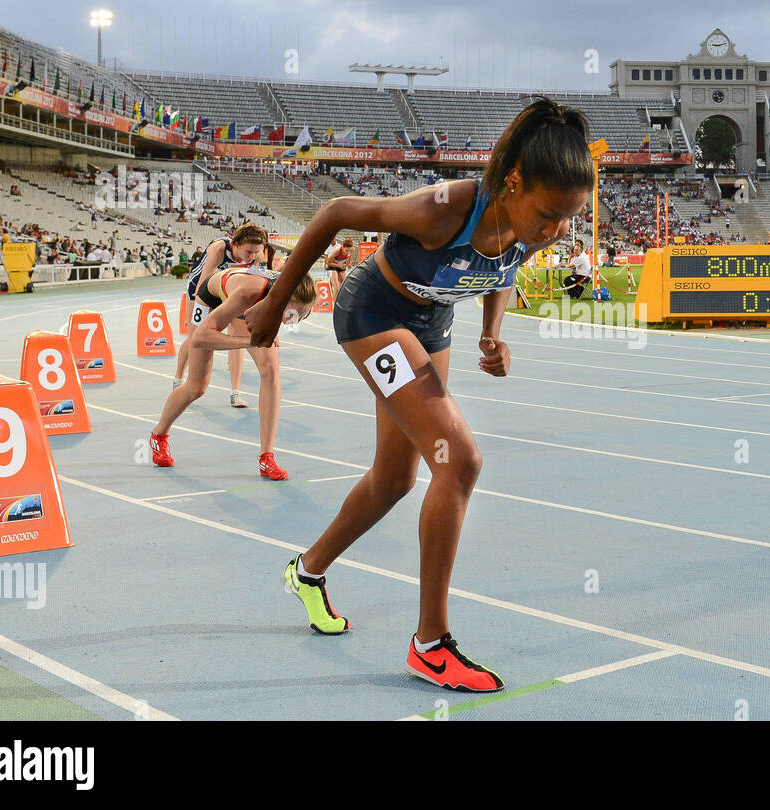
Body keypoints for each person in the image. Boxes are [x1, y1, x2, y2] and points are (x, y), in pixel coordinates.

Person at [245, 97, 593, 693]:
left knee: (397, 478)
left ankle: (308, 570)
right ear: (513, 183)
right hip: (374, 312)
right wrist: (275, 303)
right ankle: (431, 644)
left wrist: (491, 335)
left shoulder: (536, 226)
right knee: (458, 460)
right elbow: (335, 212)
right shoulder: (448, 209)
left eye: (570, 218)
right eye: (551, 214)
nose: (558, 230)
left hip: (431, 324)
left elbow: (499, 273)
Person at [149, 265, 315, 480]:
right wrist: (249, 341)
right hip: (213, 300)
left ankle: (267, 457)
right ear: (282, 299)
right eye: (290, 315)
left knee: (271, 372)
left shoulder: (300, 300)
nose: (292, 322)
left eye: (300, 317)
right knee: (197, 386)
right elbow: (200, 338)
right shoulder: (248, 293)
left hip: (251, 306)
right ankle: (159, 434)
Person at [174, 223, 270, 408]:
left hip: (230, 292)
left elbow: (258, 279)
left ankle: (235, 392)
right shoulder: (219, 248)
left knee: (238, 337)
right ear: (235, 244)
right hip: (201, 292)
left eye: (256, 252)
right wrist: (198, 312)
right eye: (248, 252)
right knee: (196, 337)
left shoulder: (257, 252)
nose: (252, 256)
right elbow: (203, 283)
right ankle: (179, 379)